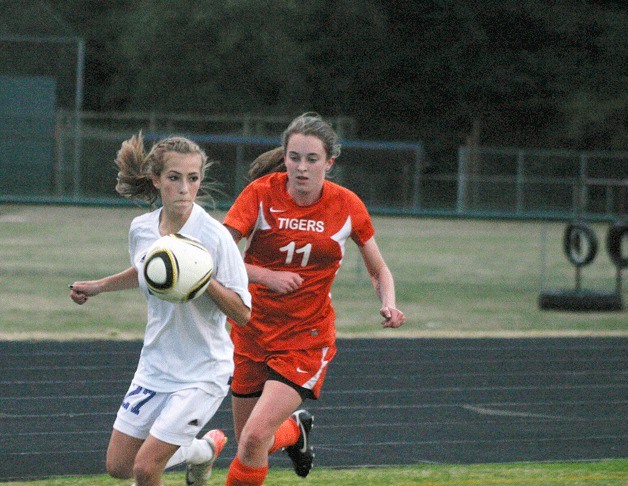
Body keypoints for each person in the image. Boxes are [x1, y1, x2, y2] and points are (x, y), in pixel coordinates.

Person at [222, 112, 406, 485]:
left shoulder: (347, 205)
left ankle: (290, 427)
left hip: (305, 339)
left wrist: (388, 301)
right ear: (284, 156)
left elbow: (378, 269)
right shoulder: (260, 194)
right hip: (249, 330)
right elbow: (218, 256)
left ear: (330, 163)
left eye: (311, 159)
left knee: (256, 437)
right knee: (249, 443)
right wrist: (264, 275)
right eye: (294, 157)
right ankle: (297, 430)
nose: (301, 168)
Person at [69, 132, 251, 486]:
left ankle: (193, 451)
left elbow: (243, 313)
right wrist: (99, 286)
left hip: (202, 371)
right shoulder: (141, 229)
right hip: (154, 366)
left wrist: (203, 278)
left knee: (145, 468)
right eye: (174, 177)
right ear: (156, 179)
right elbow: (150, 271)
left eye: (193, 179)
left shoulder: (214, 237)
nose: (184, 188)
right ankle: (203, 451)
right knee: (119, 466)